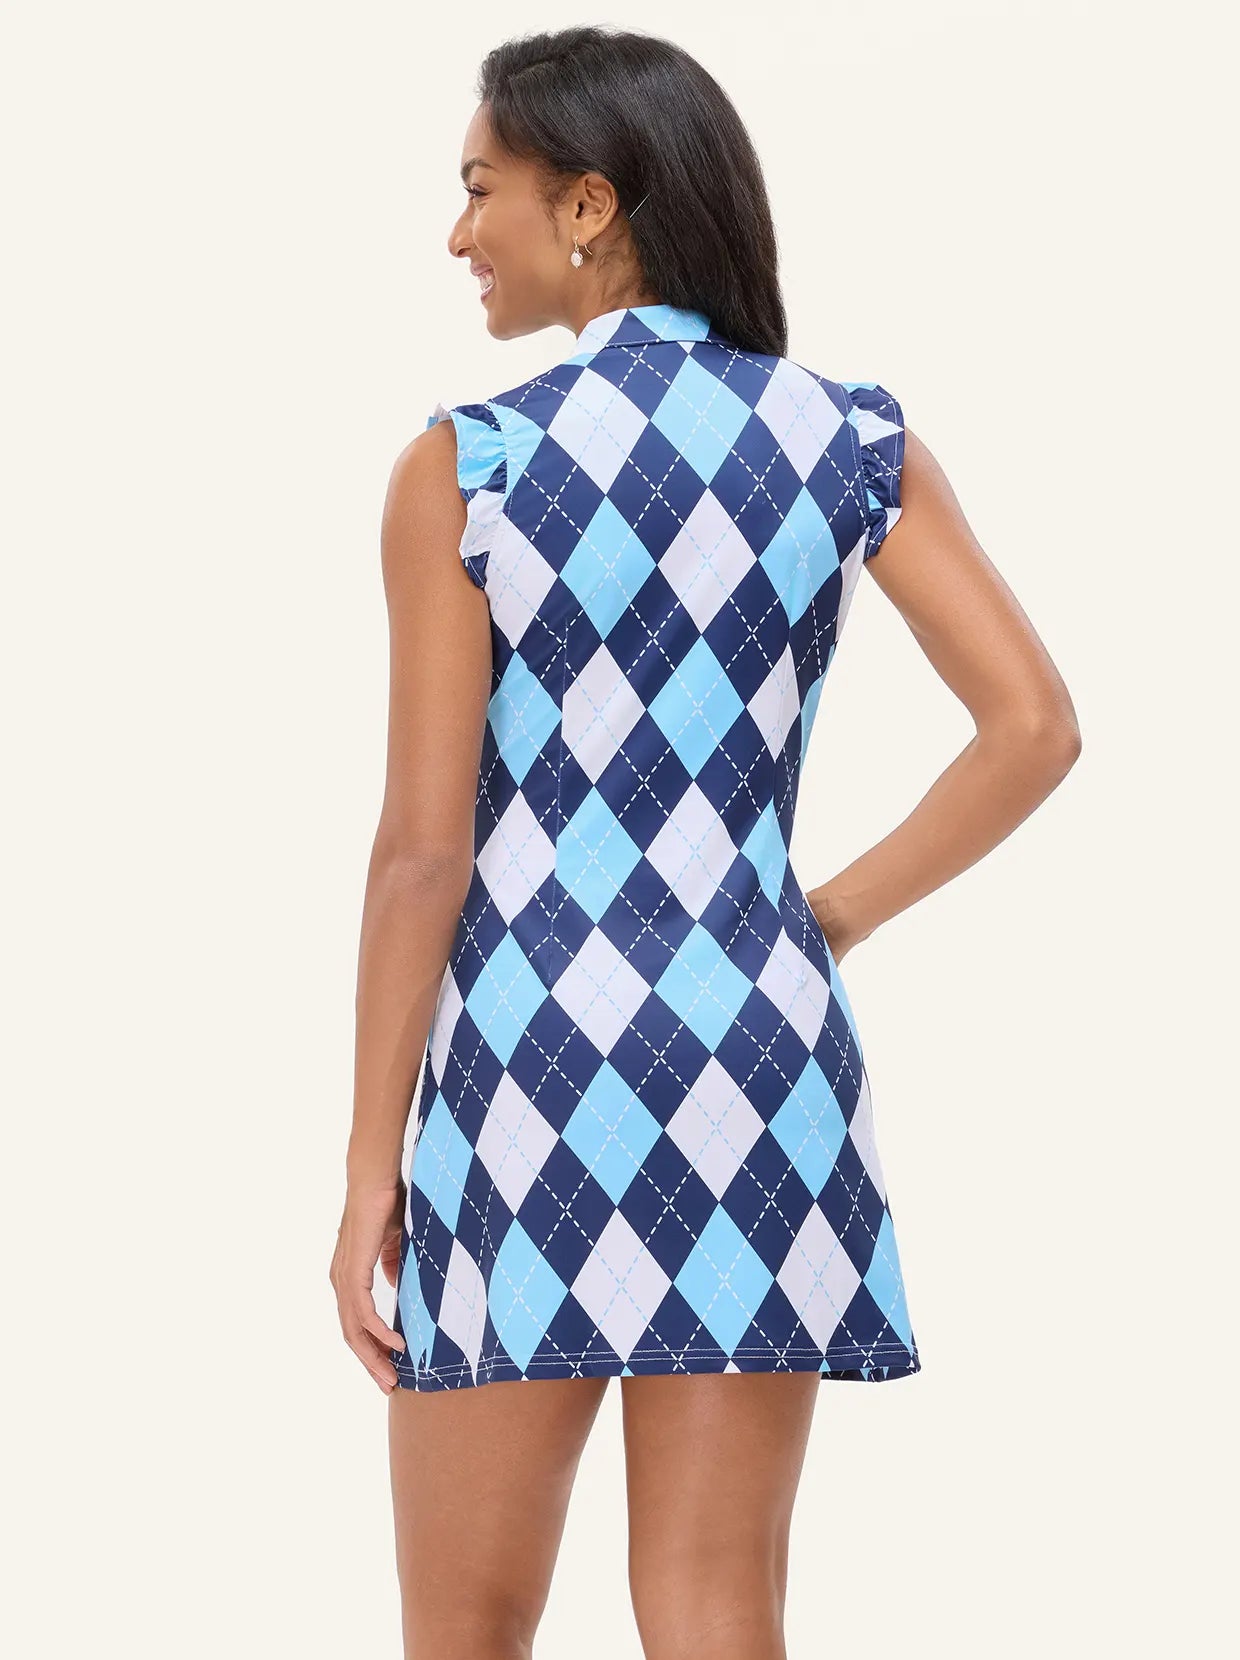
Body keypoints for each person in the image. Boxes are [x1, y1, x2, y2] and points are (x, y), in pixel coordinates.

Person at [330, 25, 1081, 1660]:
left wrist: (368, 1165)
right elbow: (1034, 726)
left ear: (588, 203)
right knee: (717, 1601)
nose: (459, 232)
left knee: (466, 1621)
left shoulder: (474, 465)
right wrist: (823, 920)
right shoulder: (851, 441)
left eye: (480, 188)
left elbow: (422, 856)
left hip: (530, 1059)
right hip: (755, 1043)